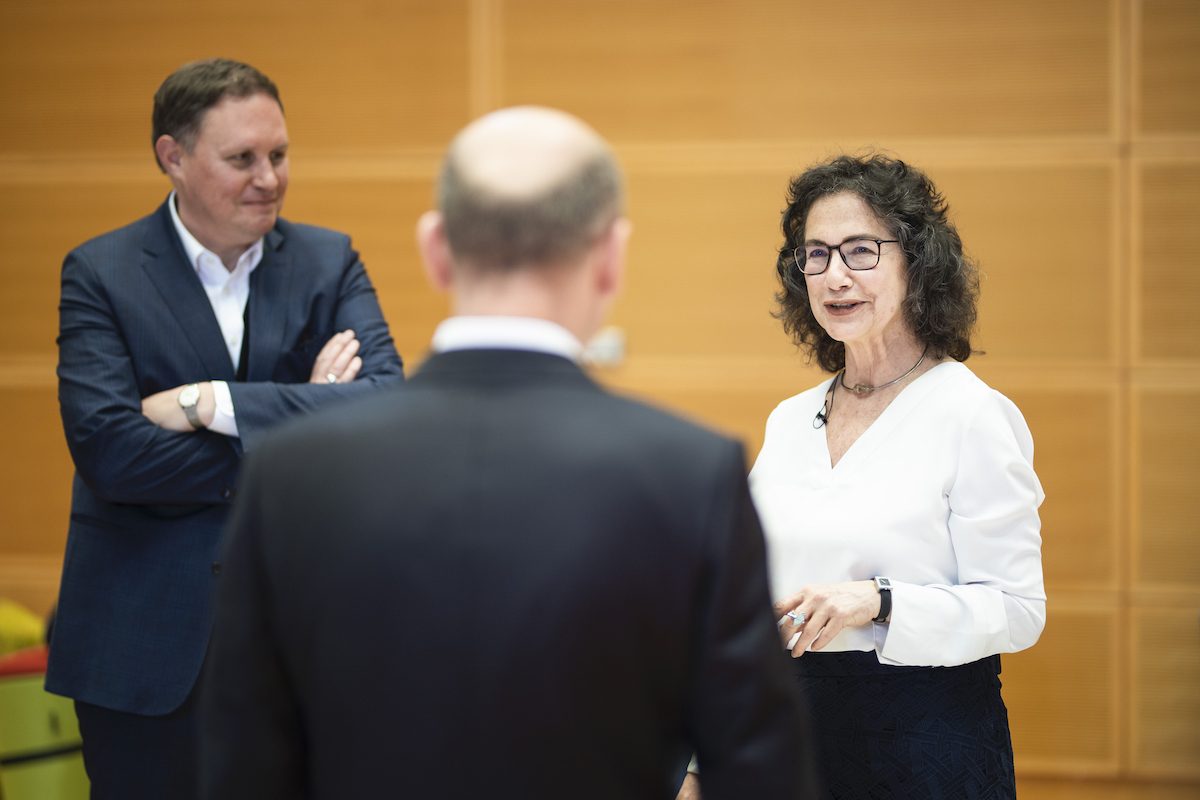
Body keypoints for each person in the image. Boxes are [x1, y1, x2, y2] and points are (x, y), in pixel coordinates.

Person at [200, 106, 818, 800]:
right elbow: (759, 774)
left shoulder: (291, 470)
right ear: (612, 258)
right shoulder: (690, 472)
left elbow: (243, 764)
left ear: (435, 249)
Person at [45, 58, 404, 798]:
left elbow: (385, 409)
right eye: (242, 158)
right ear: (173, 157)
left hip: (304, 642)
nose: (269, 177)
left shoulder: (328, 262)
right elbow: (112, 455)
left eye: (279, 155)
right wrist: (303, 420)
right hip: (143, 649)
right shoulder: (100, 273)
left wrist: (208, 403)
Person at [750, 154, 1045, 799]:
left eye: (861, 251)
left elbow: (1019, 611)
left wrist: (880, 601)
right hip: (791, 743)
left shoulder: (971, 413)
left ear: (917, 262)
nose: (835, 276)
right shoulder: (788, 421)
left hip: (925, 743)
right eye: (817, 255)